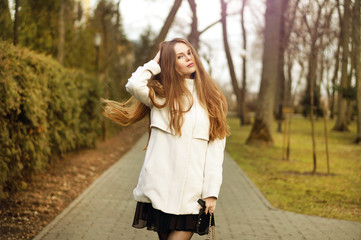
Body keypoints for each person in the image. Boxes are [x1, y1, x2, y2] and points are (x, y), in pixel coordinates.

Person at [102, 38, 229, 240]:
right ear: (171, 64)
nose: (188, 58)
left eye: (189, 52)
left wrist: (211, 192)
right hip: (159, 189)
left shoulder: (212, 99)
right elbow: (134, 85)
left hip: (191, 195)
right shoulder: (161, 96)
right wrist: (155, 62)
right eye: (180, 56)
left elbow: (215, 151)